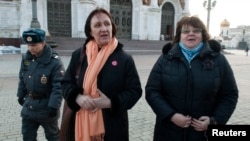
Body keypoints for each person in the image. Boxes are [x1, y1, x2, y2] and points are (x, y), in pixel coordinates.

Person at [145, 16, 238, 141]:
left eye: (196, 30)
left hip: (202, 135)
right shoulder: (166, 59)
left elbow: (230, 94)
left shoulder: (218, 60)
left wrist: (214, 121)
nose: (191, 34)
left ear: (203, 34)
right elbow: (152, 91)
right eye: (186, 31)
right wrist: (171, 116)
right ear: (179, 35)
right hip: (168, 132)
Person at [60, 7, 142, 141]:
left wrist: (110, 102)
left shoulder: (124, 59)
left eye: (107, 23)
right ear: (90, 32)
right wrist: (77, 98)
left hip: (113, 127)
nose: (104, 29)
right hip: (81, 124)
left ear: (112, 27)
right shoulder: (79, 55)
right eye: (97, 25)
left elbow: (135, 91)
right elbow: (65, 83)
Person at [17, 28, 65, 141]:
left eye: (34, 45)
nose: (30, 48)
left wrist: (54, 106)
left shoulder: (55, 62)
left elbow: (58, 86)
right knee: (27, 135)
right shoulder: (26, 59)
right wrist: (20, 95)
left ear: (43, 43)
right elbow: (22, 78)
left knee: (53, 136)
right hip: (29, 106)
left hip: (47, 108)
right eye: (28, 45)